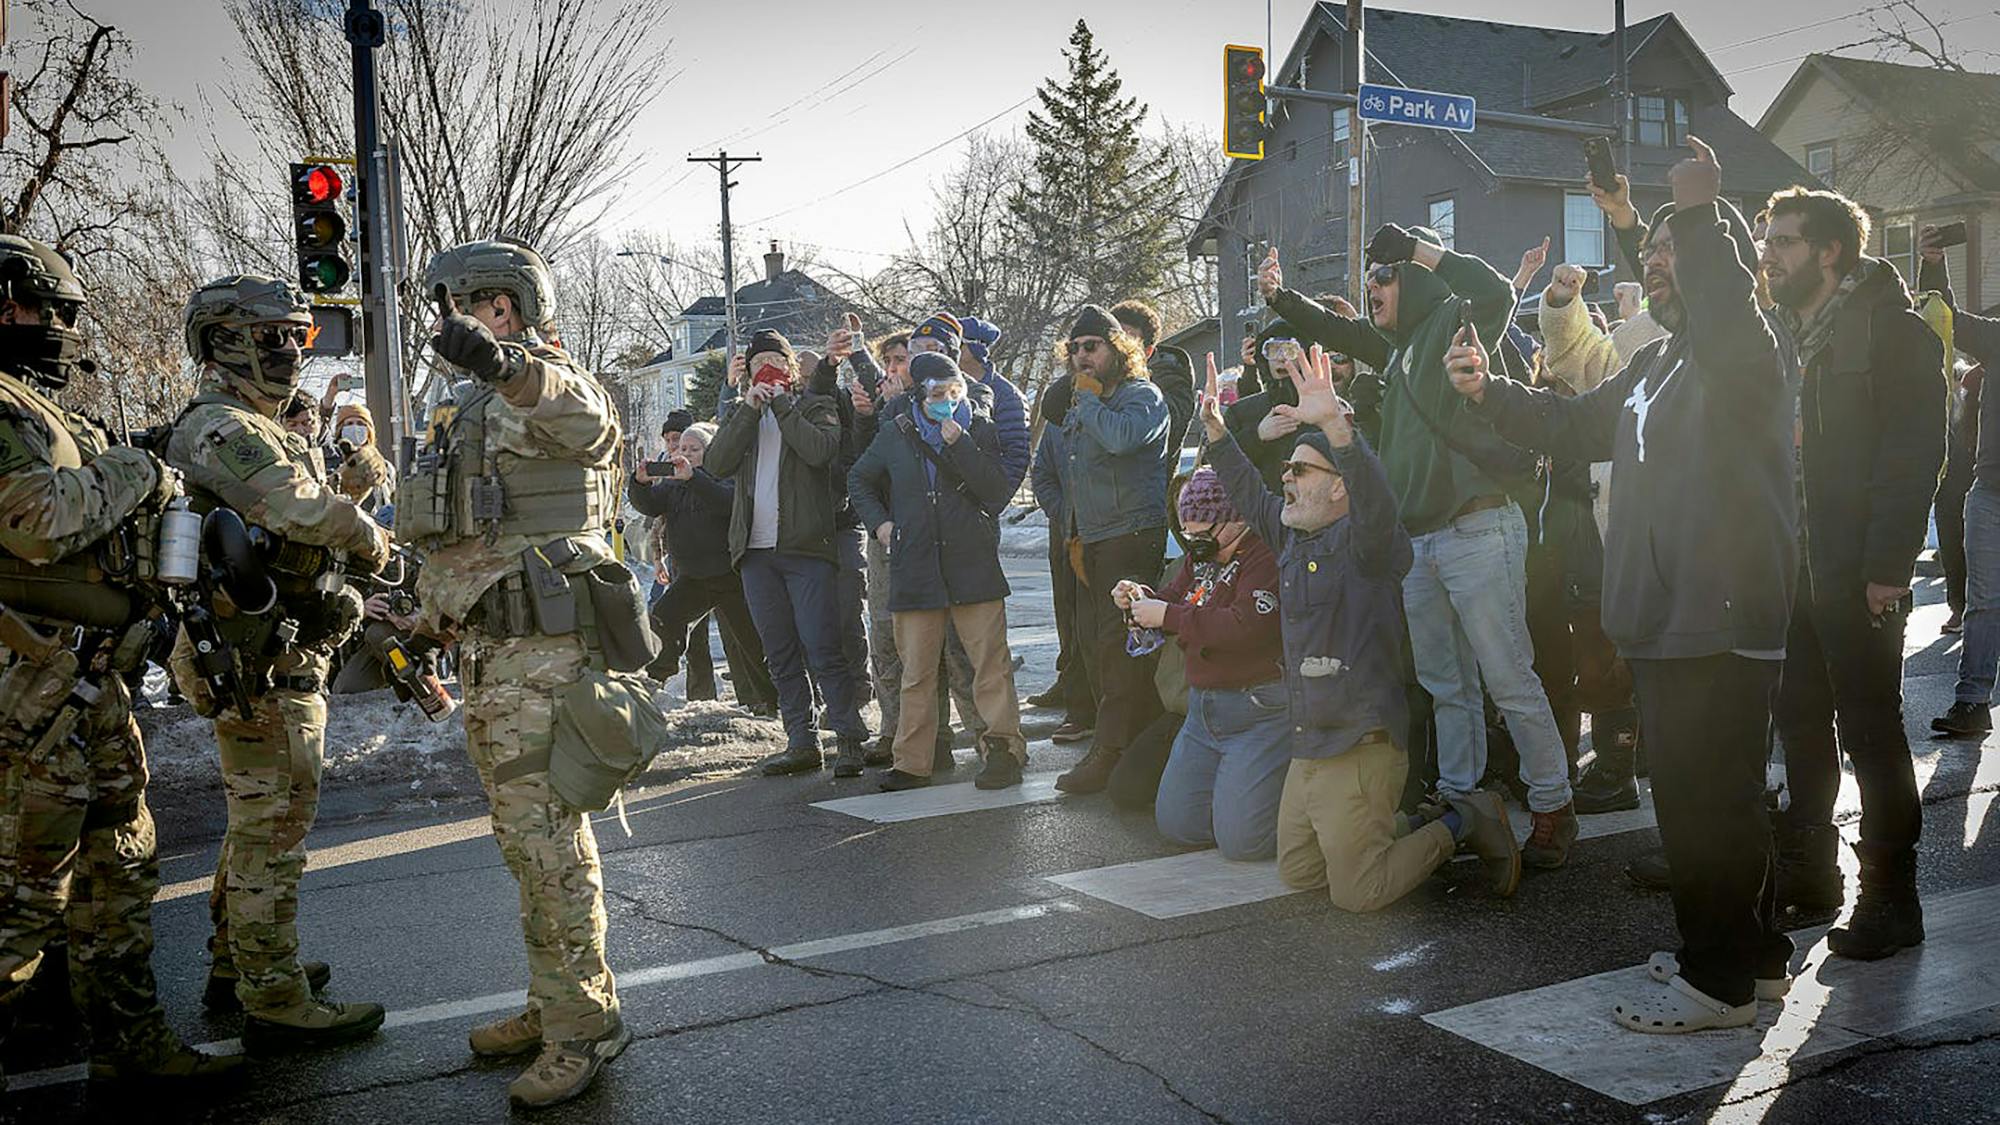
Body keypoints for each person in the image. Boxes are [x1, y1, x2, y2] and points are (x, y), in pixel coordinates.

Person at [1449, 138, 1799, 1032]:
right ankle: (1752, 961)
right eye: (1651, 259)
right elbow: (1567, 426)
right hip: (1666, 617)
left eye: (1672, 254)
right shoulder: (1653, 364)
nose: (1657, 268)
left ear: (1715, 263)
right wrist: (1489, 392)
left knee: (1705, 803)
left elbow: (1721, 293)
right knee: (1709, 799)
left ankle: (1714, 983)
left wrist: (1692, 204)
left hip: (1719, 613)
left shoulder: (1743, 352)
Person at [408, 239, 650, 1106]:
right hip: (491, 659)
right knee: (525, 846)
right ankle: (553, 1000)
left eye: (463, 306)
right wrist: (426, 616)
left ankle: (586, 1024)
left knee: (551, 845)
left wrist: (508, 365)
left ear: (502, 307)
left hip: (546, 661)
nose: (448, 323)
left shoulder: (543, 383)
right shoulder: (469, 409)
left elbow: (596, 424)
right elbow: (468, 538)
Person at [0, 236, 242, 1085]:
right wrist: (138, 466)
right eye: (54, 312)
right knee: (23, 902)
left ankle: (131, 1048)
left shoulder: (40, 407)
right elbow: (36, 519)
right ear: (9, 303)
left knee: (118, 872)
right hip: (28, 700)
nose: (65, 330)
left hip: (91, 683)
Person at [1258, 229, 1579, 868]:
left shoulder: (1454, 320)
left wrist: (1415, 248)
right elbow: (1341, 332)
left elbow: (1491, 288)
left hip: (1479, 527)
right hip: (1421, 542)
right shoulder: (1398, 347)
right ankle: (1463, 805)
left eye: (1384, 277)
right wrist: (1280, 296)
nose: (1371, 288)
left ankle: (1552, 805)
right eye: (1369, 279)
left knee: (1508, 675)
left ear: (1417, 280)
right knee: (1444, 682)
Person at [1201, 347, 1521, 909]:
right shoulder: (1292, 541)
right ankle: (1390, 827)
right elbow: (1251, 498)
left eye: (1299, 470)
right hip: (1311, 743)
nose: (1288, 480)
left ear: (1339, 486)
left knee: (1359, 895)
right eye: (1286, 470)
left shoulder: (1368, 547)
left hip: (1359, 744)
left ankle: (1461, 820)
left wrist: (1337, 431)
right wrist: (1218, 435)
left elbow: (1377, 500)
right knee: (1300, 872)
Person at [165, 273, 391, 1052]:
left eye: (295, 337)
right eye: (271, 338)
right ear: (223, 342)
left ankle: (238, 960)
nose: (290, 352)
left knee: (257, 819)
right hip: (253, 657)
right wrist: (370, 537)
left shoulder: (258, 425)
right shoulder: (221, 426)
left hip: (280, 647)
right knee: (274, 826)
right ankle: (274, 992)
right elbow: (299, 507)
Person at [1759, 186, 1943, 952]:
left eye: (1786, 242)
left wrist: (1887, 568)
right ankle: (1813, 873)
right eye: (1767, 240)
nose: (1769, 255)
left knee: (1871, 732)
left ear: (1830, 251)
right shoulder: (1779, 332)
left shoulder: (1891, 332)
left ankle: (1892, 898)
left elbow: (1914, 456)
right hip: (1789, 569)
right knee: (1800, 723)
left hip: (1857, 570)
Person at [849, 352, 1027, 790]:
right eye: (937, 394)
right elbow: (859, 479)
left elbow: (997, 490)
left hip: (972, 563)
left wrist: (960, 444)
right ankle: (913, 761)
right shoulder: (896, 431)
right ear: (919, 394)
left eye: (954, 392)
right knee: (918, 670)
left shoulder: (978, 427)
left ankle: (1003, 750)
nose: (947, 400)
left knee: (990, 664)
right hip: (916, 566)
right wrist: (881, 524)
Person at [706, 328, 873, 777]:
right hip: (756, 554)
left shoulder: (814, 403)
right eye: (759, 363)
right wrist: (748, 407)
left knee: (823, 645)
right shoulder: (744, 412)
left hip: (806, 548)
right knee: (779, 651)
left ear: (792, 367)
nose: (768, 370)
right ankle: (801, 740)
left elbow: (820, 451)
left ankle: (849, 738)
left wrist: (780, 403)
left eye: (776, 362)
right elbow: (716, 463)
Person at [1123, 467, 1289, 859]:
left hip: (1257, 710)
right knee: (1181, 826)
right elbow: (1173, 597)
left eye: (1203, 535)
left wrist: (1166, 615)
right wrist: (1138, 599)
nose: (1195, 545)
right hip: (1203, 710)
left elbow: (1244, 626)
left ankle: (1290, 807)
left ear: (1239, 520)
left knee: (1245, 845)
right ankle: (1240, 797)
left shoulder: (1266, 554)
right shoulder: (1205, 553)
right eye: (1188, 535)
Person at [1050, 305, 1174, 794]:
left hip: (1131, 536)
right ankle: (1123, 747)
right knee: (1099, 648)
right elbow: (1066, 470)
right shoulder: (1086, 403)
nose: (1082, 356)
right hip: (1095, 539)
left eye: (1092, 347)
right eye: (1076, 349)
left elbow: (1124, 441)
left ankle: (1112, 753)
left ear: (1117, 349)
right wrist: (1072, 527)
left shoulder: (1141, 395)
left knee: (1121, 649)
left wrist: (1090, 403)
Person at [628, 422, 777, 716]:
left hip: (730, 575)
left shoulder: (724, 476)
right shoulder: (672, 484)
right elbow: (650, 505)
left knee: (752, 643)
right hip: (694, 577)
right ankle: (656, 675)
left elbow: (726, 503)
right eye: (682, 448)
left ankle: (777, 701)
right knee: (663, 617)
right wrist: (640, 482)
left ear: (709, 452)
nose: (686, 454)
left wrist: (694, 477)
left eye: (694, 449)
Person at [1921, 230, 2000, 734]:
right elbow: (1944, 317)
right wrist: (1932, 264)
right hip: (1990, 491)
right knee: (1984, 600)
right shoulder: (1996, 337)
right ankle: (1971, 703)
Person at [1028, 384, 1095, 736]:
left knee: (1097, 624)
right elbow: (1042, 475)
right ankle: (1071, 688)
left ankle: (1089, 706)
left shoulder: (1111, 415)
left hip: (1106, 533)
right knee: (1068, 616)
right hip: (1066, 532)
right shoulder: (1055, 420)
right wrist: (1062, 513)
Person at [1112, 300, 1196, 466]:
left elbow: (1154, 433)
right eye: (1112, 339)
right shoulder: (1091, 374)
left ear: (1148, 352)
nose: (1118, 348)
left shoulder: (1173, 382)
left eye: (1127, 341)